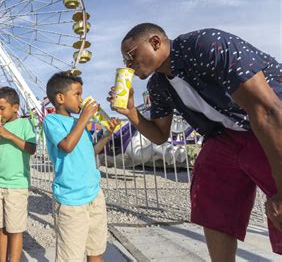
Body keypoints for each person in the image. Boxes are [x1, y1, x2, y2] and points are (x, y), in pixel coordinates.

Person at [108, 23, 282, 260]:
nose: (128, 65)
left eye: (131, 56)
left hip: (271, 122)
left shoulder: (206, 45)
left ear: (155, 42)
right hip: (226, 135)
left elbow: (267, 110)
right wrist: (131, 113)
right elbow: (160, 135)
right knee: (211, 189)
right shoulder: (158, 85)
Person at [43, 72, 119, 262]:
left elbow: (90, 152)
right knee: (71, 256)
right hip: (71, 200)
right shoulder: (51, 121)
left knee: (96, 249)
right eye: (77, 94)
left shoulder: (79, 123)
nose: (81, 99)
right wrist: (85, 117)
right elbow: (67, 146)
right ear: (60, 98)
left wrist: (107, 135)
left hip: (94, 194)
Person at [0, 87, 37, 262]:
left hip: (17, 185)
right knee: (0, 227)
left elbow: (31, 149)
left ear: (15, 107)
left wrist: (9, 135)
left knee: (15, 229)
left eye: (2, 108)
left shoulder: (24, 124)